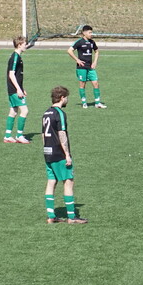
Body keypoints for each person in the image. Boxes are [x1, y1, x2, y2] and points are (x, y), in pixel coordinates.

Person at [42, 86, 87, 223]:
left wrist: (46, 149)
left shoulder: (46, 113)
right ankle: (72, 217)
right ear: (62, 98)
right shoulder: (59, 113)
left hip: (48, 152)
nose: (67, 100)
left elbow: (43, 135)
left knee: (51, 181)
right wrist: (67, 154)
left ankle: (51, 216)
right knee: (68, 181)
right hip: (59, 153)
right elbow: (62, 134)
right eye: (66, 97)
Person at [69, 25, 105, 108]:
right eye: (90, 32)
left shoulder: (92, 42)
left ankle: (97, 103)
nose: (91, 34)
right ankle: (84, 102)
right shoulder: (79, 42)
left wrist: (95, 62)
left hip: (90, 67)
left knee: (96, 83)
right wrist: (77, 60)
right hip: (81, 67)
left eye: (91, 32)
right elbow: (69, 51)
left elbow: (96, 51)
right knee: (82, 84)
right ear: (84, 33)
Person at [4, 36, 31, 144]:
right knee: (24, 111)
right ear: (19, 45)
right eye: (24, 44)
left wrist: (22, 88)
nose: (26, 45)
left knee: (13, 111)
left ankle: (7, 136)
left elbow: (18, 75)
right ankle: (19, 135)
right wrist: (18, 89)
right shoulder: (15, 57)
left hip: (13, 89)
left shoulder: (17, 56)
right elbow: (11, 74)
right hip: (14, 90)